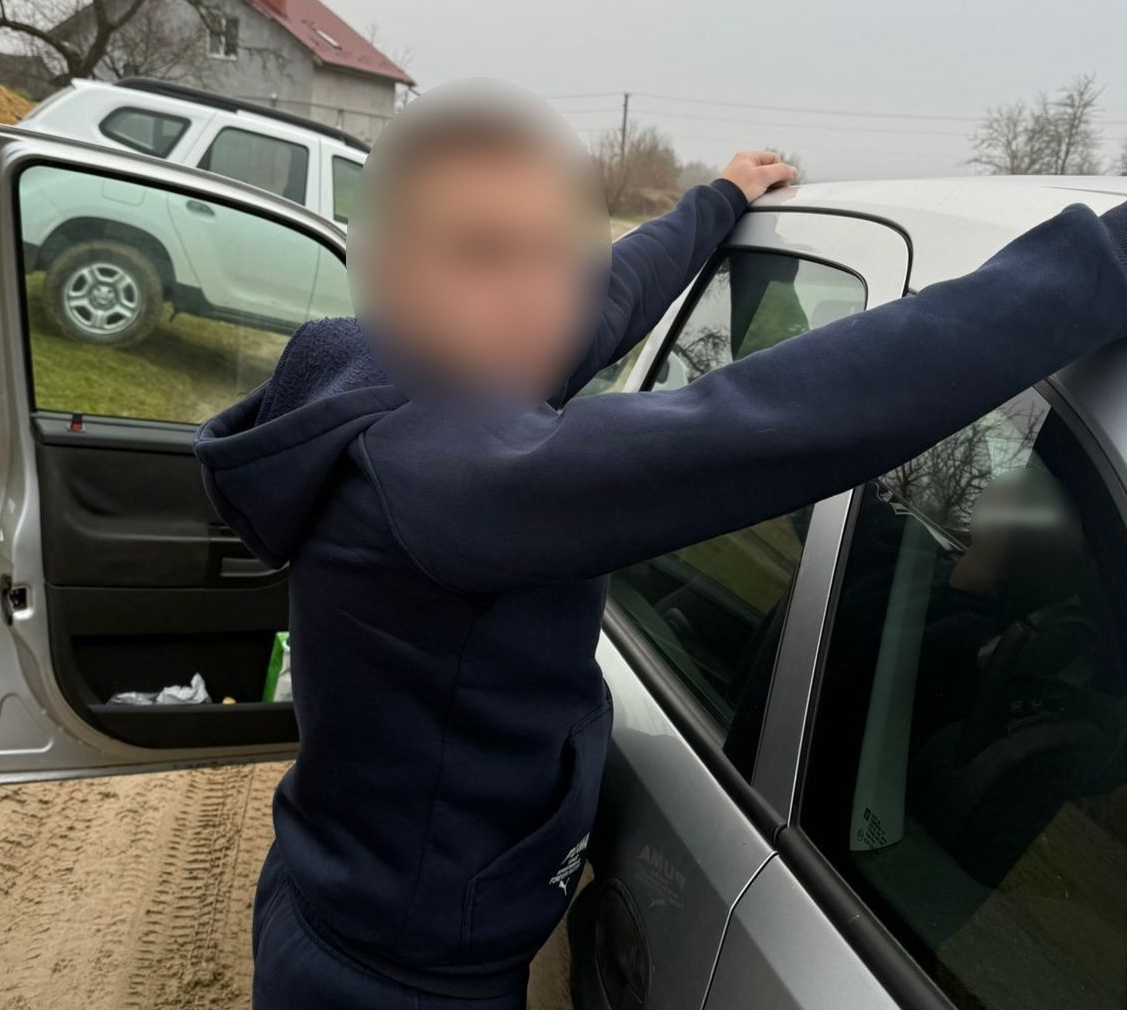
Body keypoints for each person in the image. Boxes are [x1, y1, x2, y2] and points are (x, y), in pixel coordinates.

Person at [193, 79, 1127, 1010]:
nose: (537, 299)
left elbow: (605, 297)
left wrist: (717, 202)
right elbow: (778, 417)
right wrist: (1104, 260)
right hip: (399, 982)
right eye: (481, 255)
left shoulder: (400, 358)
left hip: (347, 900)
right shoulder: (451, 476)